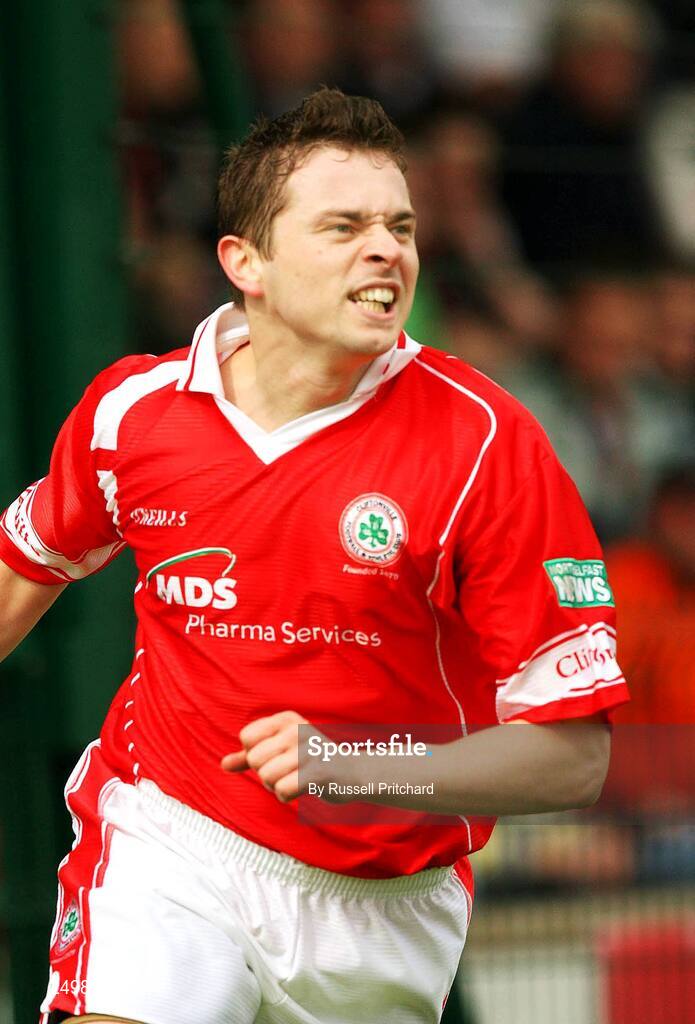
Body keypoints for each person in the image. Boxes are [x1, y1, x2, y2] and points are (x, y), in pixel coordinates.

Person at [0, 88, 628, 1024]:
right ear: (244, 262)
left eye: (399, 226)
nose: (385, 249)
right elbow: (24, 569)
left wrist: (352, 765)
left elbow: (573, 759)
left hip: (388, 908)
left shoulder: (488, 445)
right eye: (343, 226)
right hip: (173, 842)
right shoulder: (132, 414)